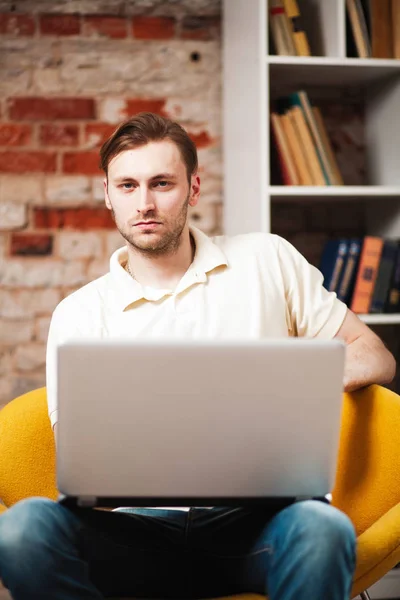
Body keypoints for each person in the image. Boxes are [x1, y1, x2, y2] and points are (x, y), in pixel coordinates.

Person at [0, 113, 396, 600]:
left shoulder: (268, 259)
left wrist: (304, 384)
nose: (144, 203)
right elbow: (80, 459)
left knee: (323, 528)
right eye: (128, 185)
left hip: (260, 525)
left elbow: (375, 354)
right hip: (134, 535)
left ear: (193, 187)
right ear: (108, 194)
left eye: (161, 183)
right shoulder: (79, 314)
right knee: (21, 530)